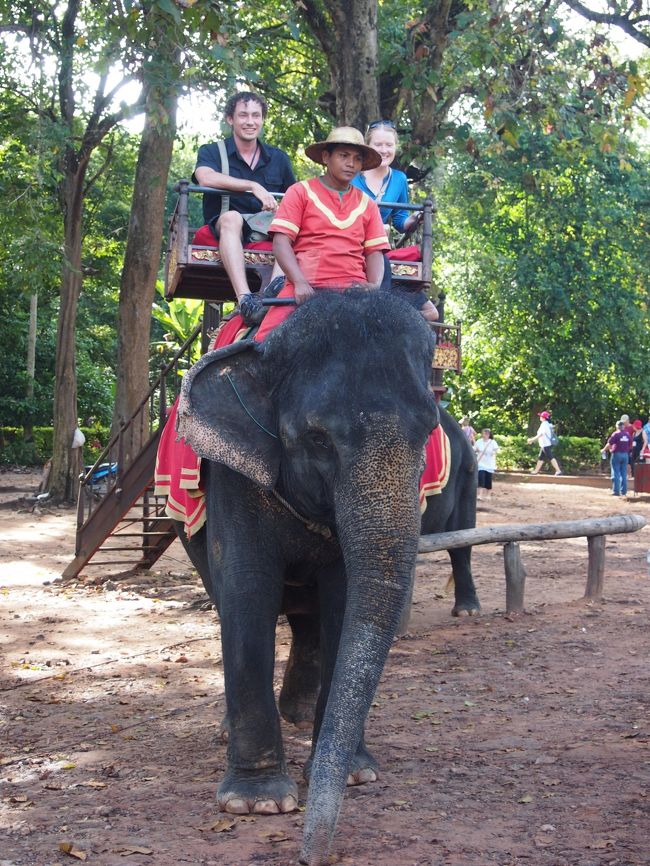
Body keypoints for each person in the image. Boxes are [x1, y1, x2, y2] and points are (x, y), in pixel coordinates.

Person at [254, 126, 391, 341]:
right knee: (265, 343)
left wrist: (373, 287)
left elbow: (375, 252)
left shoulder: (368, 204)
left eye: (356, 159)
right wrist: (299, 283)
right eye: (344, 156)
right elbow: (281, 242)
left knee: (386, 350)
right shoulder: (300, 191)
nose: (350, 164)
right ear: (326, 157)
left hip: (353, 291)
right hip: (306, 286)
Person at [193, 91, 296, 310]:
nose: (250, 122)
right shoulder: (212, 151)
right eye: (243, 115)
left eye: (256, 116)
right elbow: (204, 176)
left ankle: (273, 291)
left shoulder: (278, 158)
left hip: (268, 226)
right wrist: (252, 186)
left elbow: (294, 197)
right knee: (231, 218)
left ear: (262, 119)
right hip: (229, 226)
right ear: (230, 119)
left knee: (290, 222)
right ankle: (245, 299)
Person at [351, 120, 439, 323]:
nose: (384, 150)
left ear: (395, 147)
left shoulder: (399, 178)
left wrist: (415, 219)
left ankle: (390, 319)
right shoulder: (352, 174)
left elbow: (400, 220)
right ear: (368, 147)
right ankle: (379, 315)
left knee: (431, 312)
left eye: (388, 145)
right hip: (352, 242)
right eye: (378, 145)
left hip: (378, 247)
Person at [602, 419, 633, 496]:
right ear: (623, 427)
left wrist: (603, 450)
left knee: (616, 473)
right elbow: (631, 445)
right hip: (625, 455)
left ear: (617, 426)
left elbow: (609, 444)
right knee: (623, 473)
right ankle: (624, 491)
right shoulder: (627, 434)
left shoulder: (616, 434)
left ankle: (616, 491)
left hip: (617, 454)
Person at [527, 410, 562, 476]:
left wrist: (532, 440)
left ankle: (558, 470)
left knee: (551, 457)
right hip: (545, 444)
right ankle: (536, 471)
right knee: (541, 458)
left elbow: (541, 434)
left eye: (541, 416)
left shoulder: (544, 425)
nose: (540, 417)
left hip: (545, 444)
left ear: (543, 418)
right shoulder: (547, 424)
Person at [474, 429, 499, 502]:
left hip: (489, 464)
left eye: (485, 434)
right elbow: (474, 449)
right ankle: (479, 495)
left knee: (488, 480)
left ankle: (488, 495)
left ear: (488, 435)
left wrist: (493, 452)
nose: (483, 435)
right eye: (483, 434)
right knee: (481, 478)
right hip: (481, 464)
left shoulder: (492, 442)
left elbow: (496, 450)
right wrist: (476, 450)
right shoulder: (479, 441)